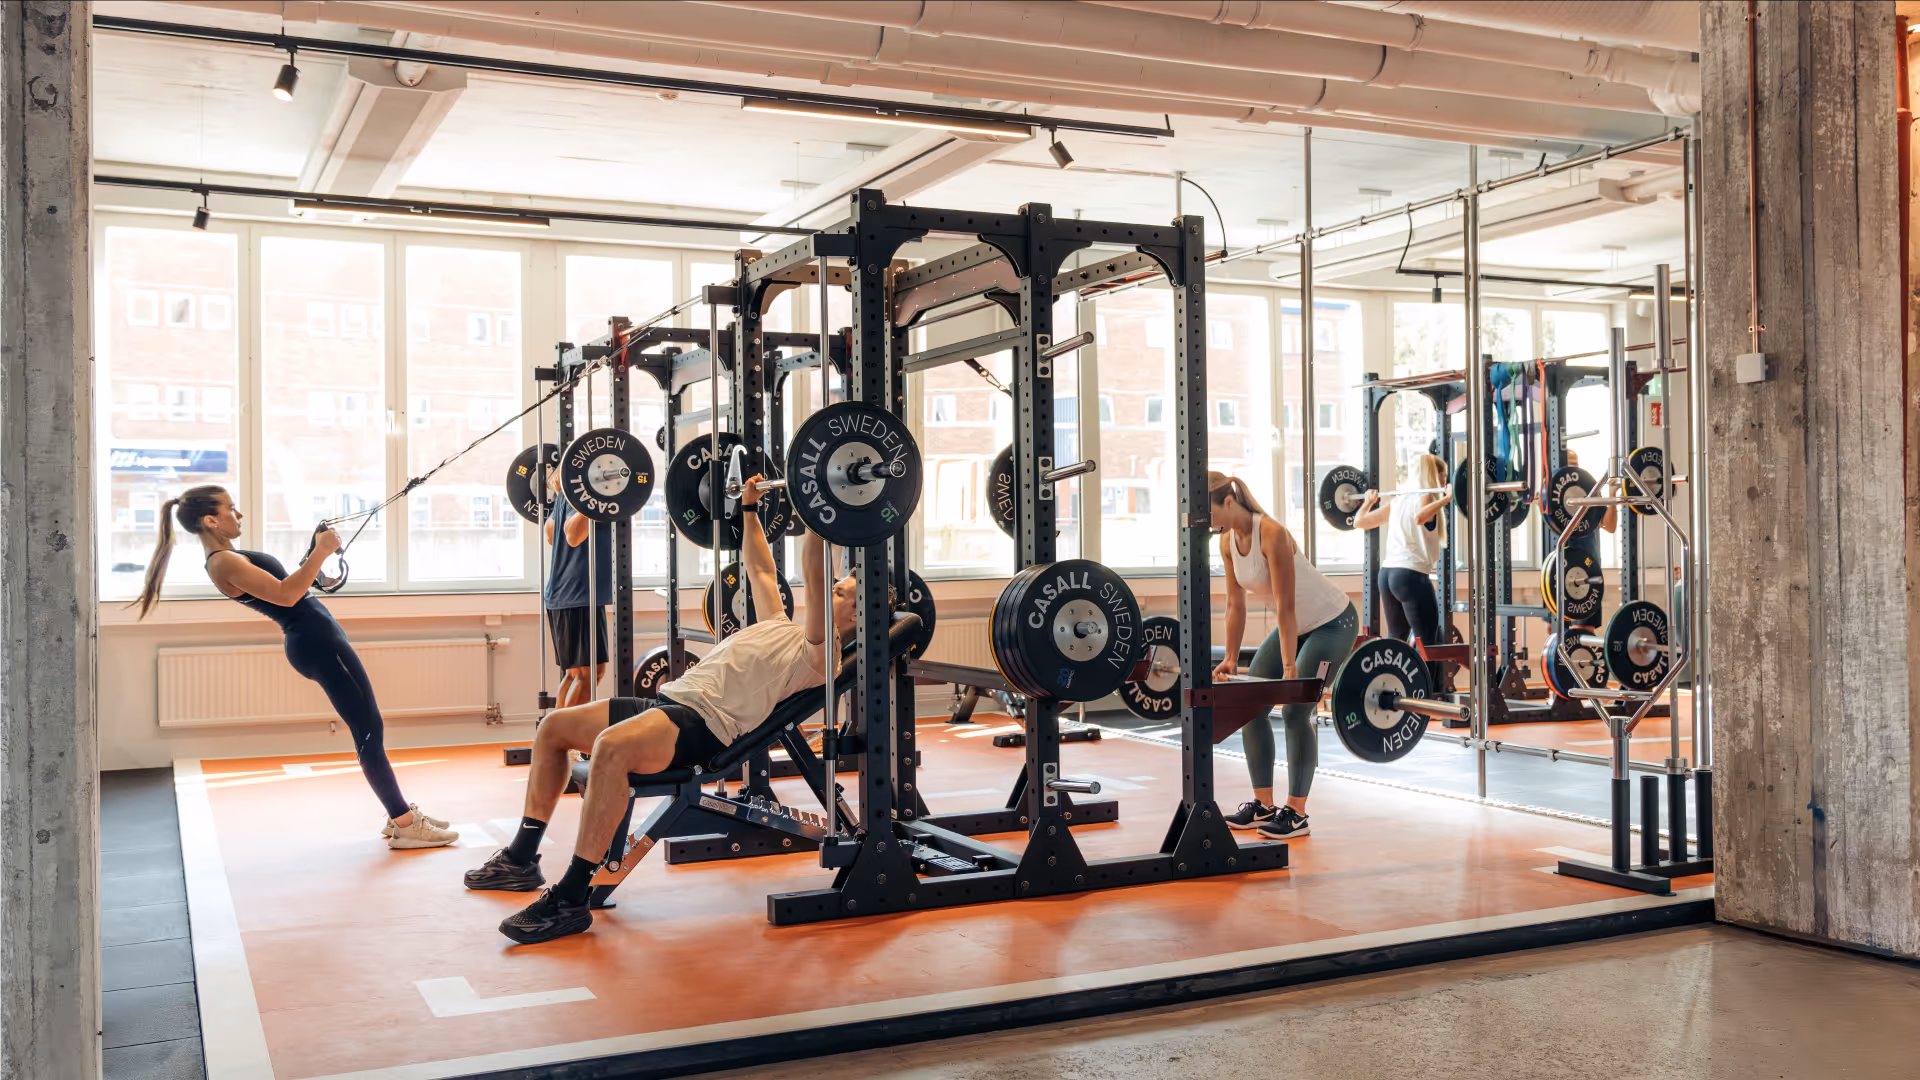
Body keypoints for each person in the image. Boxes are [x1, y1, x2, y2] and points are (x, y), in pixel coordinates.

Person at [466, 474, 856, 945]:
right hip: (672, 701)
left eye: (844, 591)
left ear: (855, 615)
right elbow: (762, 571)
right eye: (838, 585)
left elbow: (812, 576)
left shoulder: (822, 654)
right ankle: (521, 859)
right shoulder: (779, 624)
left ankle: (569, 898)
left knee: (610, 749)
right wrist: (750, 509)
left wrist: (814, 507)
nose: (834, 587)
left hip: (704, 726)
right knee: (555, 727)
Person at [128, 486, 458, 850]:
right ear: (210, 520)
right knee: (368, 728)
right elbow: (287, 596)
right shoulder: (224, 562)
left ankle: (398, 814)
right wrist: (320, 551)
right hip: (317, 644)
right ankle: (405, 824)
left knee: (368, 725)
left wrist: (315, 558)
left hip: (318, 640)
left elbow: (291, 587)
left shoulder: (229, 557)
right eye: (231, 509)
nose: (239, 515)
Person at [1209, 471, 1359, 841]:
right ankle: (1263, 806)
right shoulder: (1227, 542)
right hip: (1296, 625)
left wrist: (1291, 667)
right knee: (1250, 705)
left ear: (1227, 503)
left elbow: (1287, 606)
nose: (1204, 521)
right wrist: (1230, 658)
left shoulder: (1271, 533)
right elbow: (1234, 604)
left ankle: (1297, 812)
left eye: (1207, 511)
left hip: (1332, 622)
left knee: (1296, 709)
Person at [1349, 453, 1452, 648]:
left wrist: (1368, 503)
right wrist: (1446, 499)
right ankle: (1428, 680)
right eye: (1444, 476)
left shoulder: (1399, 501)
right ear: (1434, 475)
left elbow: (1359, 521)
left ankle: (1394, 679)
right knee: (1428, 645)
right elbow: (1420, 517)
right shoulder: (1427, 497)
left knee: (1396, 641)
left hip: (1387, 576)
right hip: (1410, 577)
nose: (1445, 481)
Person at [543, 468, 613, 708]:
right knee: (589, 675)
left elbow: (550, 534)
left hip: (564, 594)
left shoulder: (565, 495)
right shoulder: (582, 496)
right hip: (579, 595)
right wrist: (594, 501)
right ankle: (564, 741)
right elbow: (572, 536)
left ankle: (556, 742)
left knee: (575, 675)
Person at [1563, 449, 1617, 534]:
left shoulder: (1588, 487)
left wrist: (1612, 494)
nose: (1573, 469)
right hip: (1565, 546)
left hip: (1588, 547)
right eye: (1570, 465)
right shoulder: (1551, 494)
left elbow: (1609, 526)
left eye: (1575, 465)